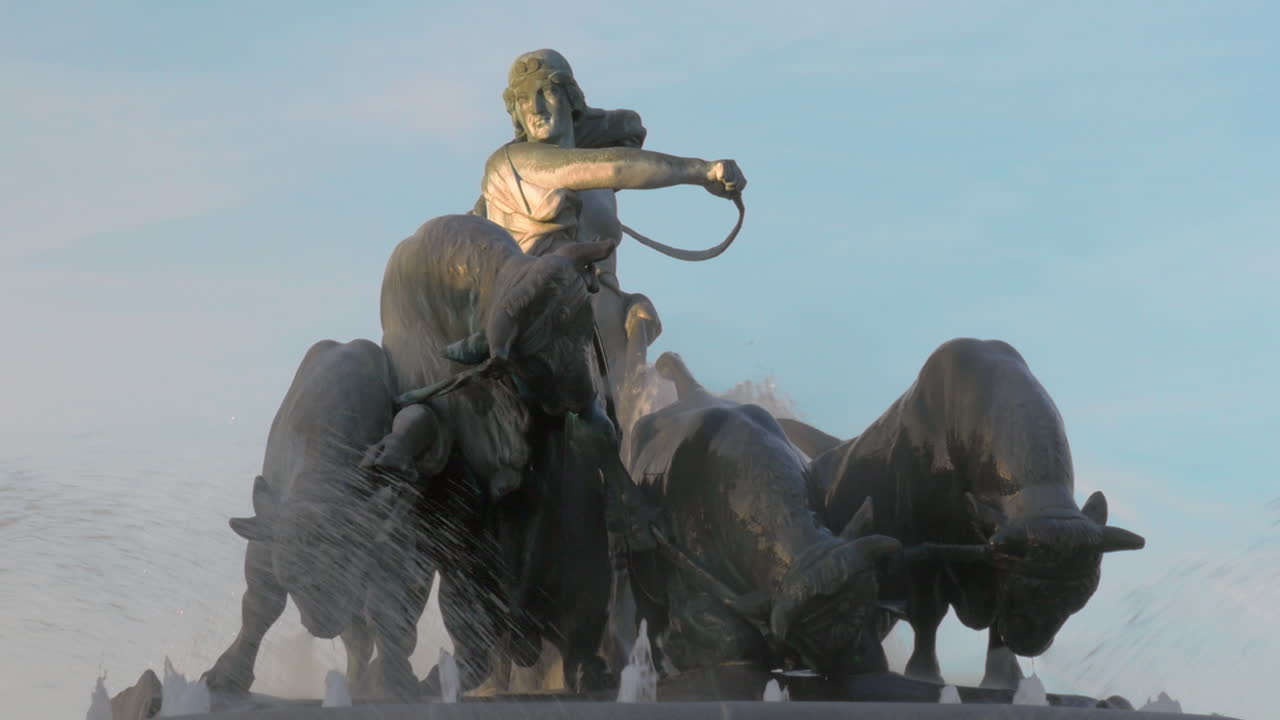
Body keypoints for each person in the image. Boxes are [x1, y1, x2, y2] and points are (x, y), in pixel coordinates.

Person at [478, 48, 746, 439]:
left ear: (570, 99)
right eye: (522, 100)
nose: (533, 108)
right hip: (542, 336)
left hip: (605, 342)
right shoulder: (513, 163)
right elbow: (615, 164)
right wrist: (702, 170)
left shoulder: (592, 176)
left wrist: (576, 123)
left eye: (546, 93)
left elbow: (628, 132)